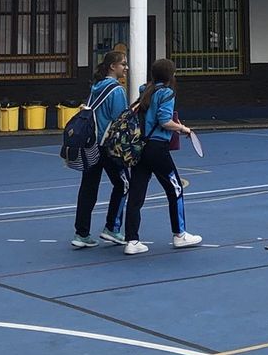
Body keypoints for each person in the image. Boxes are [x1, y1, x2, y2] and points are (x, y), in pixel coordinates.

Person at [122, 59, 201, 254]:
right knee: (175, 189)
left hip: (140, 147)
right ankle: (180, 234)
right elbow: (164, 121)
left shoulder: (145, 90)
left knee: (136, 194)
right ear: (171, 75)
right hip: (157, 148)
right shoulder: (167, 93)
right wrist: (183, 129)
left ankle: (132, 240)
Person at [73, 50, 131, 248]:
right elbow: (120, 120)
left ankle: (81, 233)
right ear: (113, 67)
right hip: (108, 146)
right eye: (123, 64)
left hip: (91, 145)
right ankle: (112, 228)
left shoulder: (96, 88)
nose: (126, 67)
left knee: (88, 187)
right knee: (123, 184)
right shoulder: (116, 91)